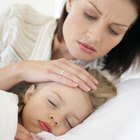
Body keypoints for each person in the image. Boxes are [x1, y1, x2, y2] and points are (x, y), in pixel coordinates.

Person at [0, 0, 140, 139]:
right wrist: (19, 70)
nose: (94, 37)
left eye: (115, 30)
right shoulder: (17, 20)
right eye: (90, 15)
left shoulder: (103, 88)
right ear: (70, 2)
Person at [9, 69, 116, 139]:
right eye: (52, 102)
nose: (56, 119)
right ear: (30, 94)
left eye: (69, 122)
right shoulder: (5, 105)